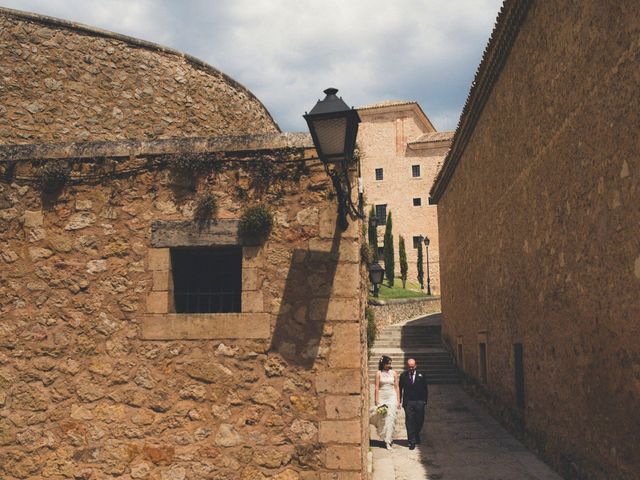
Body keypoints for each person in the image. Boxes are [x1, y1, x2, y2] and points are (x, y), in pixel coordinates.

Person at [399, 358, 429, 450]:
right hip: (408, 402)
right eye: (409, 367)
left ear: (415, 366)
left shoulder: (421, 375)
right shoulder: (403, 376)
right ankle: (411, 441)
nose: (411, 369)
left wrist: (424, 401)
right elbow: (400, 389)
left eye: (412, 367)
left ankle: (416, 434)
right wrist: (399, 401)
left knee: (420, 420)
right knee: (409, 421)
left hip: (419, 401)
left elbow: (425, 389)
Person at [371, 355, 401, 449]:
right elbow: (376, 387)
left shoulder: (394, 373)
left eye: (390, 363)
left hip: (392, 396)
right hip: (382, 396)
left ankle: (388, 441)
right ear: (383, 364)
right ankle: (384, 437)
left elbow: (396, 387)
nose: (389, 365)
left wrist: (398, 400)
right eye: (388, 363)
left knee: (390, 418)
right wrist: (376, 399)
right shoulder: (378, 373)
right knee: (382, 417)